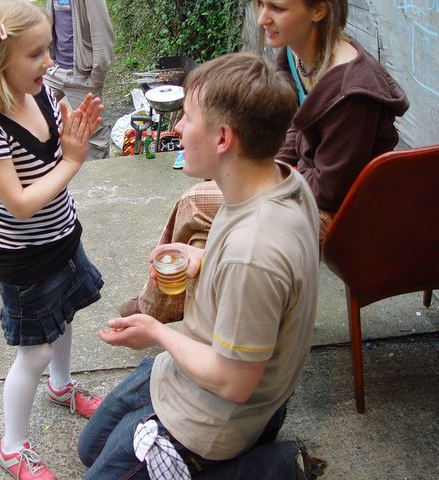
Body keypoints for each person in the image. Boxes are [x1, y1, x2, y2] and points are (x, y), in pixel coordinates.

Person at [77, 52, 319, 479]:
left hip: (210, 417)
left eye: (187, 118)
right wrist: (204, 258)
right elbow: (267, 276)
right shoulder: (278, 180)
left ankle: (273, 467)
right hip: (192, 364)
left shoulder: (253, 252)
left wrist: (156, 333)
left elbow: (234, 382)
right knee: (88, 449)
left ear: (223, 138)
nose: (176, 129)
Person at [119, 0, 409, 323]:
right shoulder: (296, 56)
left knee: (197, 203)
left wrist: (261, 181)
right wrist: (263, 170)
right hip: (305, 186)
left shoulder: (353, 94)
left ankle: (159, 311)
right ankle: (189, 320)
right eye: (260, 4)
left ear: (319, 10)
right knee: (206, 226)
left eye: (277, 8)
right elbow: (290, 130)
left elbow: (329, 190)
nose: (261, 19)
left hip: (341, 214)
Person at [0, 0, 105, 478]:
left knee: (63, 318)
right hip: (23, 256)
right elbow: (20, 202)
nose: (49, 61)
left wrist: (70, 139)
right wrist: (73, 160)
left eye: (48, 49)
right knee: (35, 350)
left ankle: (61, 387)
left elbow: (52, 159)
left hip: (62, 235)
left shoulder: (40, 94)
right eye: (35, 53)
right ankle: (13, 445)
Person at [43, 0, 115, 160]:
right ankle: (48, 167)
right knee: (36, 113)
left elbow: (101, 29)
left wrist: (98, 73)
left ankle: (98, 172)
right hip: (54, 70)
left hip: (82, 73)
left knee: (92, 133)